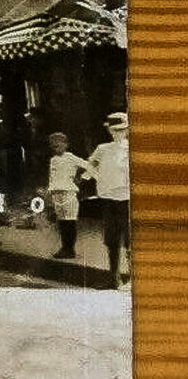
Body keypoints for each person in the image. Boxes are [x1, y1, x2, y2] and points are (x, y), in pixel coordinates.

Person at [83, 112, 131, 289]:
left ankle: (133, 279)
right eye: (114, 130)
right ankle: (114, 278)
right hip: (108, 200)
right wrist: (93, 177)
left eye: (122, 129)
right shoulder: (103, 149)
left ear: (127, 130)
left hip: (127, 199)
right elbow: (89, 166)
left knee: (129, 239)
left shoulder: (131, 148)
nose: (118, 133)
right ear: (109, 130)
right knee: (111, 239)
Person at [45, 131, 89, 259]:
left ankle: (70, 249)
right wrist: (49, 193)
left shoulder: (70, 157)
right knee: (61, 223)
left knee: (69, 222)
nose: (55, 144)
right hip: (56, 194)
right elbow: (52, 178)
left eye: (59, 142)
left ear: (66, 144)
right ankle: (64, 248)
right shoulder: (53, 160)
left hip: (68, 193)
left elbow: (89, 166)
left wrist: (82, 178)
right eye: (53, 143)